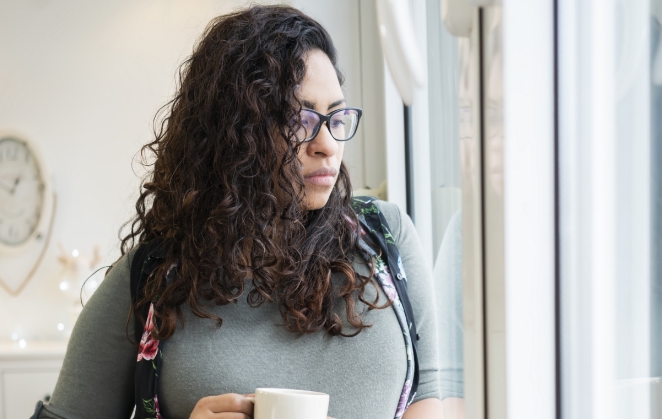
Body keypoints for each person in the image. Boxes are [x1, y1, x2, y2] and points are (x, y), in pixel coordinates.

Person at [37, 5, 442, 419]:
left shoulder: (384, 236)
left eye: (335, 117)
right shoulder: (152, 279)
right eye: (298, 119)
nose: (328, 145)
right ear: (231, 133)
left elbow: (433, 396)